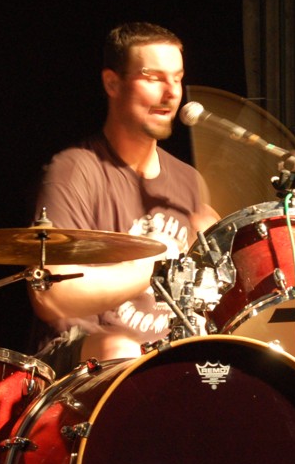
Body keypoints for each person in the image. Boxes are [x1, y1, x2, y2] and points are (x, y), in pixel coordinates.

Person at [29, 22, 220, 372]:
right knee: (121, 348)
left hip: (168, 356)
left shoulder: (189, 181)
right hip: (82, 362)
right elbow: (51, 294)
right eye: (154, 78)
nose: (171, 93)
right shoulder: (74, 170)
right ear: (112, 84)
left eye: (177, 79)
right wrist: (159, 263)